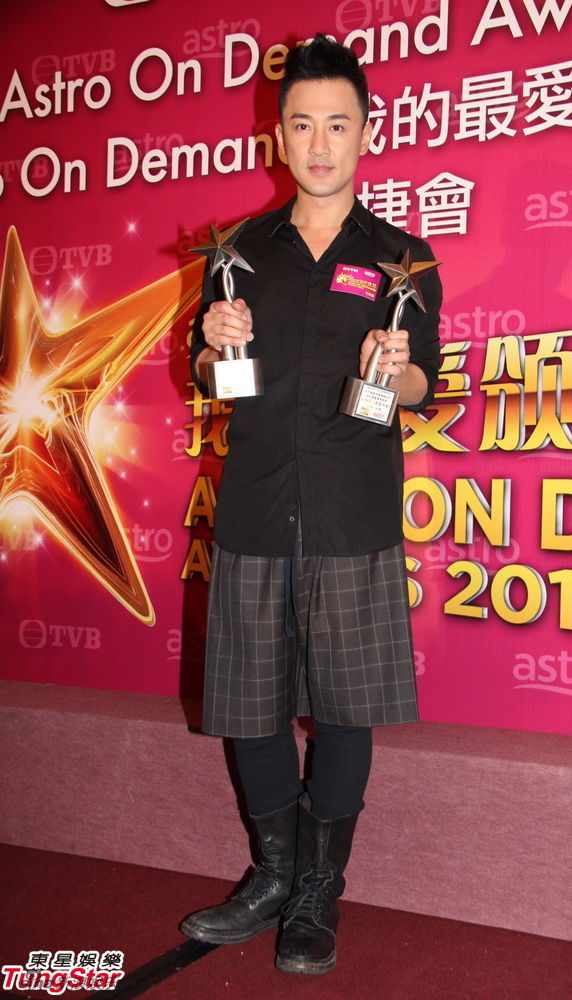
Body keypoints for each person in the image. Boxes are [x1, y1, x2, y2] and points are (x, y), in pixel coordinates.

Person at [181, 34, 442, 976]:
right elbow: (211, 377)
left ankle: (319, 889)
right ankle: (272, 876)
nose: (320, 142)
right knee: (249, 711)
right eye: (302, 124)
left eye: (338, 123)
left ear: (367, 133)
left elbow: (421, 386)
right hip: (256, 508)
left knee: (342, 712)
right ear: (278, 137)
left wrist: (391, 368)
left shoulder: (402, 258)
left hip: (348, 514)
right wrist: (211, 344)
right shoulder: (239, 254)